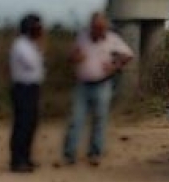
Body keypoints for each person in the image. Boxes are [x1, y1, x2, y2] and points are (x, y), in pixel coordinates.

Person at [62, 12, 134, 166]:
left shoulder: (112, 39)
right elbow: (70, 57)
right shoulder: (82, 37)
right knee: (76, 119)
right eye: (96, 27)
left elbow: (128, 55)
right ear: (91, 27)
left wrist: (115, 65)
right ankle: (69, 154)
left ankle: (95, 153)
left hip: (102, 84)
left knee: (100, 119)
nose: (99, 31)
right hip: (82, 84)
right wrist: (75, 58)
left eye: (102, 28)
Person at [9, 13, 45, 173]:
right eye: (37, 27)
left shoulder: (30, 45)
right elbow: (32, 64)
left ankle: (26, 157)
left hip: (32, 88)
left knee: (31, 124)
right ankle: (17, 161)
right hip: (23, 88)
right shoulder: (21, 45)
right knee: (22, 124)